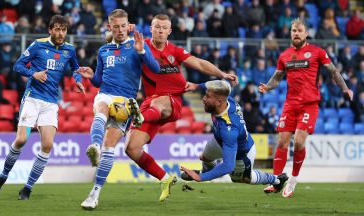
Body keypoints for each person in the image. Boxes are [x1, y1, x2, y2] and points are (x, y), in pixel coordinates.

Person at [121, 14, 237, 202]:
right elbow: (119, 41)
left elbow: (199, 63)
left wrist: (221, 73)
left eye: (163, 27)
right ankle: (165, 178)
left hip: (171, 101)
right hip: (150, 103)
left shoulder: (175, 51)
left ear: (169, 31)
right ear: (151, 28)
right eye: (156, 26)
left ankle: (140, 117)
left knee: (157, 103)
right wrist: (124, 29)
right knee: (131, 148)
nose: (160, 30)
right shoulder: (141, 46)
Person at [0, 15, 85, 200]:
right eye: (57, 29)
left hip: (50, 103)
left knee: (47, 145)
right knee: (21, 140)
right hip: (32, 99)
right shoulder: (38, 45)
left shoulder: (69, 50)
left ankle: (27, 188)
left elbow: (75, 68)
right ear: (50, 30)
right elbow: (18, 66)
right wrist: (34, 73)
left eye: (63, 29)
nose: (60, 33)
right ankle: (3, 175)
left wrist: (78, 80)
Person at [258, 18, 353, 198]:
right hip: (290, 104)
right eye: (293, 30)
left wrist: (345, 88)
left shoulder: (317, 52)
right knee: (282, 142)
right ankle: (276, 181)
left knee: (299, 142)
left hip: (309, 104)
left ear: (306, 33)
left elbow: (333, 71)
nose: (296, 33)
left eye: (299, 30)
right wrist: (267, 87)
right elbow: (277, 77)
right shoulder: (284, 55)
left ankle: (292, 180)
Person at [77, 9, 160, 210]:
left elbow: (156, 69)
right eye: (116, 26)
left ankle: (94, 194)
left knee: (110, 146)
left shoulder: (136, 45)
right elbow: (99, 80)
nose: (121, 30)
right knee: (101, 107)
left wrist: (142, 51)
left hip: (125, 102)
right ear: (109, 27)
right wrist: (91, 76)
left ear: (128, 25)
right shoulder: (103, 51)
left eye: (124, 26)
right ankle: (94, 147)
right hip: (106, 92)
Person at [180, 80, 288, 191]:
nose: (203, 99)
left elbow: (228, 166)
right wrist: (197, 85)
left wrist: (200, 178)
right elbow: (220, 84)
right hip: (219, 140)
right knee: (205, 157)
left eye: (207, 97)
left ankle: (277, 180)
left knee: (244, 179)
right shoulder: (226, 99)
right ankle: (205, 172)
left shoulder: (229, 129)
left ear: (219, 101)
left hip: (241, 152)